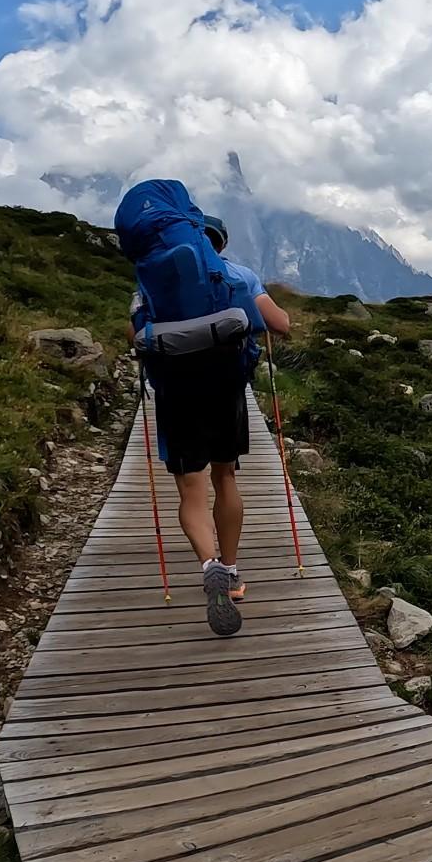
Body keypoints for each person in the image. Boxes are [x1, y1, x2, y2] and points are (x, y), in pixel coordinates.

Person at [129, 211, 290, 635]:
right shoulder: (239, 275)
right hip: (227, 390)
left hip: (177, 395)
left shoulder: (152, 281)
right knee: (226, 479)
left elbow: (137, 338)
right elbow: (281, 324)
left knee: (190, 489)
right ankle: (232, 572)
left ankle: (209, 565)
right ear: (218, 243)